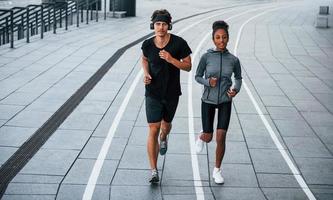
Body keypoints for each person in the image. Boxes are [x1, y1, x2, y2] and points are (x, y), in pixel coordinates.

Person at [141, 9, 192, 183]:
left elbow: (188, 66)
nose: (161, 27)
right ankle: (154, 170)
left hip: (171, 94)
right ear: (152, 25)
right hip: (153, 93)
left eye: (163, 24)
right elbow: (144, 59)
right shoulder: (147, 44)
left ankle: (165, 137)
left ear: (169, 25)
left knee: (166, 126)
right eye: (157, 24)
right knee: (153, 129)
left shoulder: (179, 43)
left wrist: (171, 59)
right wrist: (146, 74)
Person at [195, 20, 242, 184]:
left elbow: (238, 78)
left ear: (228, 38)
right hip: (207, 100)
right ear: (213, 39)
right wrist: (208, 82)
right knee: (209, 138)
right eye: (218, 37)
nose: (221, 40)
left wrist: (235, 89)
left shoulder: (233, 60)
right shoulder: (206, 57)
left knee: (221, 137)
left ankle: (217, 170)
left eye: (224, 37)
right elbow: (197, 76)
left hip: (225, 101)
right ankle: (202, 136)